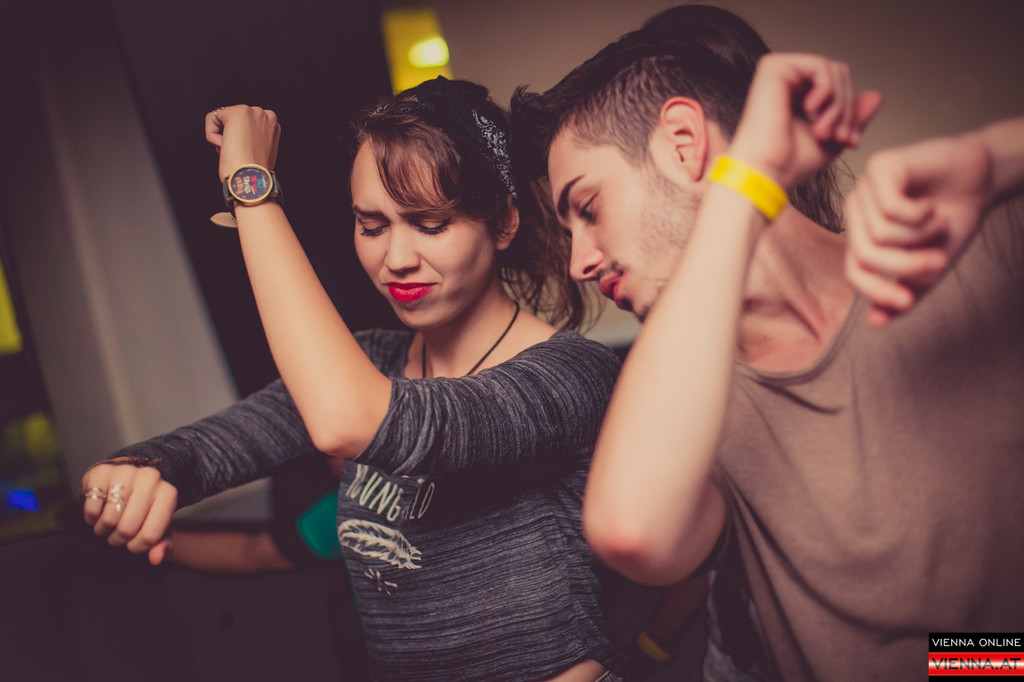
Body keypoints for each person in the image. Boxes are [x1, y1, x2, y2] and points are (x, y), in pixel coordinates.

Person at [512, 4, 1024, 681]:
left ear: (684, 145)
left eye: (588, 208)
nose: (580, 260)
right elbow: (629, 530)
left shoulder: (967, 249)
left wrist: (992, 158)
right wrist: (741, 188)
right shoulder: (689, 414)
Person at [80, 77, 627, 681]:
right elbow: (209, 449)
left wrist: (251, 190)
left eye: (430, 224)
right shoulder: (371, 359)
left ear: (502, 223)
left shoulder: (571, 374)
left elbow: (350, 419)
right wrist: (134, 469)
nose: (397, 259)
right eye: (372, 225)